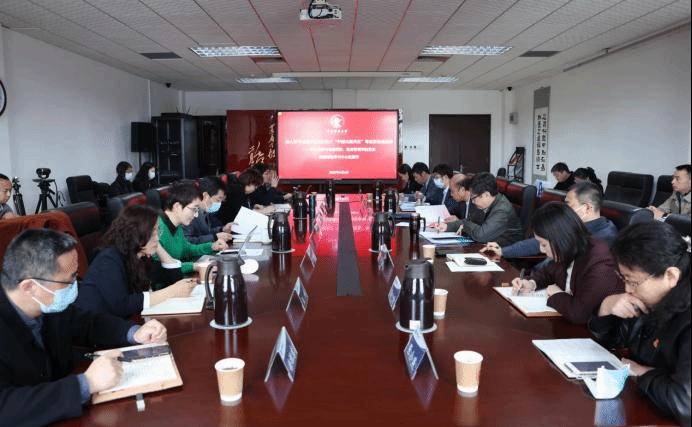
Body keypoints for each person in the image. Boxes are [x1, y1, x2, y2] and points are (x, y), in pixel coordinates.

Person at [0, 228, 167, 426]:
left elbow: (89, 323)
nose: (76, 286)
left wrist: (134, 332)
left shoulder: (47, 303)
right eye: (68, 280)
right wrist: (85, 384)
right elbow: (5, 407)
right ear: (29, 287)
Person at [589, 221, 690, 426]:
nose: (627, 289)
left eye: (633, 282)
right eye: (624, 279)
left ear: (671, 275)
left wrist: (643, 373)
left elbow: (685, 403)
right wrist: (607, 306)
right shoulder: (655, 295)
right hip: (646, 405)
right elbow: (615, 340)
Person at [75, 205, 197, 319]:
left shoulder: (140, 255)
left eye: (158, 232)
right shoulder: (108, 259)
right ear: (138, 234)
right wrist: (170, 292)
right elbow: (122, 305)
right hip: (98, 327)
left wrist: (157, 246)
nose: (158, 238)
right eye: (154, 232)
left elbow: (173, 279)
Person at [511, 202, 624, 324]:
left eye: (544, 244)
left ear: (560, 239)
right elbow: (549, 273)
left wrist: (556, 295)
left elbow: (580, 314)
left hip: (591, 331)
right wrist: (531, 283)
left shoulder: (599, 261)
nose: (542, 250)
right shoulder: (570, 250)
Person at [483, 182, 618, 259]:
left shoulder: (605, 237)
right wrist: (502, 251)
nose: (565, 209)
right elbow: (538, 243)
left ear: (587, 208)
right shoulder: (573, 226)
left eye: (568, 205)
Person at [158, 182, 227, 274]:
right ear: (177, 206)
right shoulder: (158, 228)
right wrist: (194, 266)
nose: (196, 215)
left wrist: (212, 246)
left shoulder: (177, 225)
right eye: (194, 209)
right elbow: (162, 267)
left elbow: (187, 249)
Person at [437, 172, 523, 246]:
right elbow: (470, 221)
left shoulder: (502, 209)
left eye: (474, 198)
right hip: (486, 246)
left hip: (504, 253)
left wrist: (464, 225)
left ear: (486, 195)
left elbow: (480, 235)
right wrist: (447, 226)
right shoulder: (487, 203)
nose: (472, 201)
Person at [183, 177, 234, 244]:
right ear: (205, 195)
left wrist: (222, 229)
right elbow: (187, 241)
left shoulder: (203, 211)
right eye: (217, 200)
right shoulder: (189, 213)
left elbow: (206, 232)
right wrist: (214, 237)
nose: (219, 203)